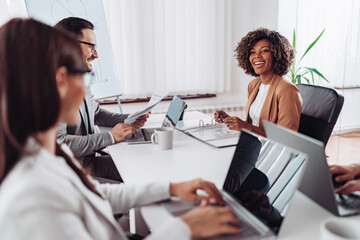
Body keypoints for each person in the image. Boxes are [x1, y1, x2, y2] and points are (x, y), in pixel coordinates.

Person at [0, 18, 241, 240]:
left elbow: (95, 196)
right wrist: (184, 229)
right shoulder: (29, 199)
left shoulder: (43, 157)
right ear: (61, 80)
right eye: (84, 74)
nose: (86, 91)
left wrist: (172, 188)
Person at [55, 17, 148, 182]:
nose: (96, 54)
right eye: (91, 47)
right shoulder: (52, 87)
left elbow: (95, 112)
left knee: (142, 171)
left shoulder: (80, 78)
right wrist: (110, 137)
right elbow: (60, 143)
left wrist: (128, 120)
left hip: (88, 162)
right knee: (132, 194)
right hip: (69, 175)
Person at [214, 28, 302, 136]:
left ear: (277, 54)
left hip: (270, 151)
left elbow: (286, 137)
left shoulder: (287, 90)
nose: (257, 56)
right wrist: (231, 121)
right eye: (252, 52)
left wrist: (246, 127)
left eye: (264, 50)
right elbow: (254, 124)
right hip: (252, 143)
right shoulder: (254, 85)